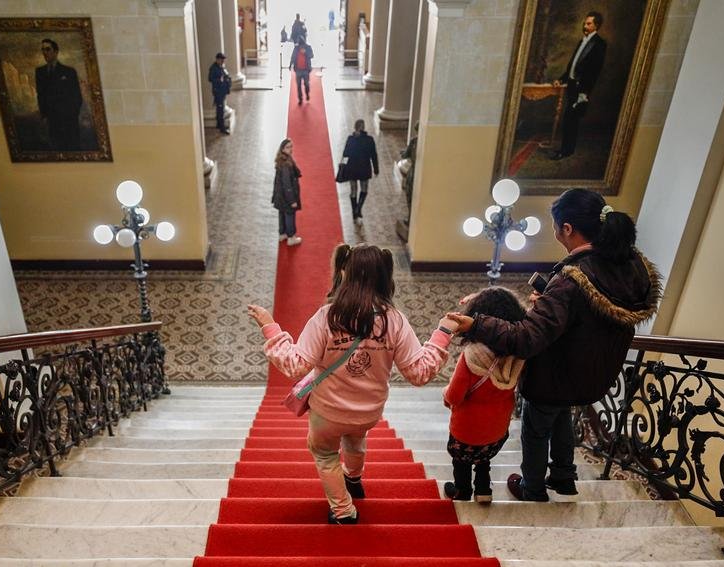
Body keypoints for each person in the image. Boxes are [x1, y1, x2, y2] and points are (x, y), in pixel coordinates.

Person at [448, 188, 662, 502]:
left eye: (555, 226)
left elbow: (526, 338)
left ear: (568, 229)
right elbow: (589, 313)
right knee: (562, 417)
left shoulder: (572, 280)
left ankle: (532, 488)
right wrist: (551, 301)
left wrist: (477, 324)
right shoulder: (629, 266)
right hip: (592, 373)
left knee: (536, 429)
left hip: (555, 371)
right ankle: (563, 476)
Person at [247, 243, 459, 524]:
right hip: (368, 412)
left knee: (325, 455)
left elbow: (295, 365)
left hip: (327, 413)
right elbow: (419, 373)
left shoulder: (327, 317)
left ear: (344, 272)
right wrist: (443, 332)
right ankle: (354, 479)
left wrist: (270, 326)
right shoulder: (395, 321)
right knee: (356, 440)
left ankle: (343, 510)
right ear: (385, 276)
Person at [442, 287, 527, 503]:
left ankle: (462, 491)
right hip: (496, 431)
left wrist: (445, 394)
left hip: (466, 431)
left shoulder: (472, 356)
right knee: (483, 461)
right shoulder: (518, 353)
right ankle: (483, 490)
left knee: (461, 463)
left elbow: (454, 396)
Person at [551, 12, 607, 160]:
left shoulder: (599, 44)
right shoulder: (582, 41)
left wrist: (584, 93)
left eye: (589, 24)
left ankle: (565, 151)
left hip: (581, 88)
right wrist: (561, 79)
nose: (585, 26)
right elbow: (573, 66)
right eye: (585, 23)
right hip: (571, 85)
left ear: (596, 26)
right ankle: (567, 149)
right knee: (569, 119)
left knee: (571, 119)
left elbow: (594, 72)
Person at [35, 39, 83, 151]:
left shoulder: (69, 72)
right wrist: (44, 116)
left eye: (48, 49)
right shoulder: (40, 72)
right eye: (43, 50)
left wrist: (71, 116)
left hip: (68, 122)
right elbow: (40, 95)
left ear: (56, 52)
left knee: (71, 150)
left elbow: (77, 97)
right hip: (52, 123)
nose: (45, 53)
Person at [341, 119, 379, 225]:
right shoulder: (369, 140)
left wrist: (343, 169)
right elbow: (374, 155)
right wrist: (376, 169)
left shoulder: (350, 139)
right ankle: (358, 209)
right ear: (363, 127)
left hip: (351, 168)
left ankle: (354, 213)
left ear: (355, 127)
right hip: (364, 168)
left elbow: (345, 154)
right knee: (364, 189)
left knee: (353, 191)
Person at [272, 138, 302, 246]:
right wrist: (292, 200)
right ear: (283, 149)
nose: (291, 149)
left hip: (280, 196)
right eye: (288, 147)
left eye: (291, 146)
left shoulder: (282, 160)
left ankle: (282, 233)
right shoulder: (286, 164)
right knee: (290, 214)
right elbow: (287, 185)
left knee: (282, 213)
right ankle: (291, 237)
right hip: (286, 196)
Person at [208, 52, 232, 135]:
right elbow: (210, 79)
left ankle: (219, 124)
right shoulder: (213, 68)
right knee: (220, 109)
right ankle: (222, 128)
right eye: (222, 60)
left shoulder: (221, 67)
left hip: (222, 91)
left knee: (220, 108)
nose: (223, 61)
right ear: (217, 59)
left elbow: (225, 75)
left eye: (223, 60)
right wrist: (219, 80)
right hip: (218, 92)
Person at [289, 39, 314, 105]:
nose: (300, 46)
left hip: (306, 70)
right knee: (298, 86)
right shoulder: (296, 48)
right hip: (298, 70)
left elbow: (312, 55)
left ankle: (307, 94)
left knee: (306, 84)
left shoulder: (308, 47)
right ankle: (300, 99)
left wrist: (305, 52)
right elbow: (293, 57)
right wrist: (290, 65)